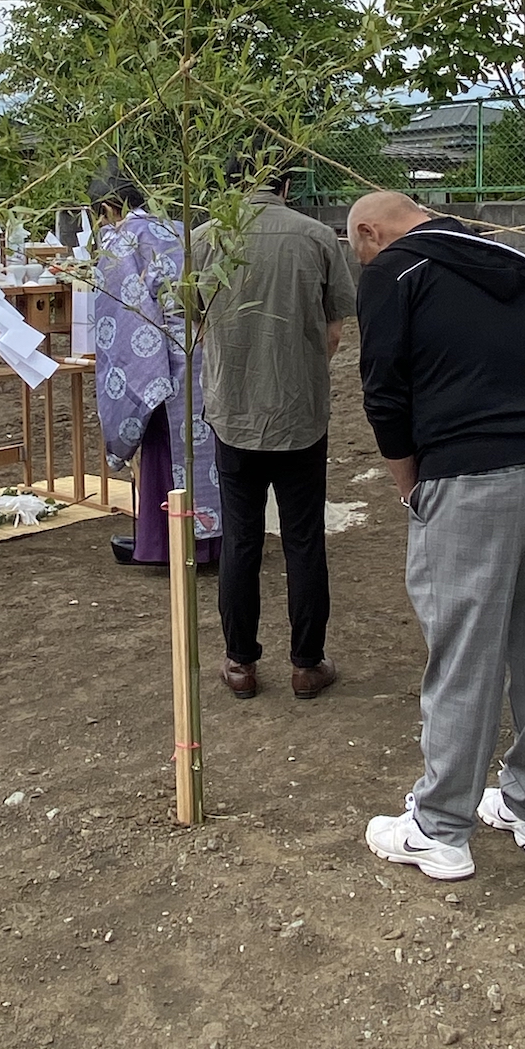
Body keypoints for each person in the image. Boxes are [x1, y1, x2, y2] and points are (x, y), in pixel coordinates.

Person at [349, 192, 525, 882]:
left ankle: (440, 827)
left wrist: (408, 483)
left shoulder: (393, 271)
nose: (361, 258)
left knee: (464, 651)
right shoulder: (509, 263)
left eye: (356, 246)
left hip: (471, 478)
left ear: (370, 231)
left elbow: (384, 394)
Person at [194, 166, 356, 699]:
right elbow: (334, 331)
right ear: (284, 185)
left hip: (232, 413)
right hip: (299, 413)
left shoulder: (204, 239)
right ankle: (307, 664)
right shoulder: (316, 237)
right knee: (304, 538)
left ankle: (240, 663)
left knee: (240, 538)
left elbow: (193, 321)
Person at [90, 168, 221, 568]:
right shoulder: (180, 228)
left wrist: (134, 377)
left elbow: (121, 320)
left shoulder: (120, 240)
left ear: (108, 209)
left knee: (165, 447)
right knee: (205, 450)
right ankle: (214, 542)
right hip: (202, 347)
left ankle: (169, 546)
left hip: (161, 354)